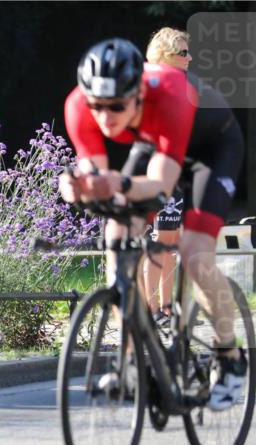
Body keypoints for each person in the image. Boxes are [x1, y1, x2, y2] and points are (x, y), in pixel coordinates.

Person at [59, 37, 247, 411]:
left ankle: (230, 358)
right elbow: (93, 175)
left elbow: (159, 187)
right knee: (116, 236)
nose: (106, 117)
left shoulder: (169, 93)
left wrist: (114, 183)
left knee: (194, 254)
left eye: (116, 106)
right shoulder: (79, 106)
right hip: (157, 142)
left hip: (212, 147)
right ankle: (131, 362)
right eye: (98, 106)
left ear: (138, 95)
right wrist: (75, 187)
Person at [124, 27, 193, 320]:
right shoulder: (154, 83)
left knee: (168, 241)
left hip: (175, 169)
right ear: (166, 55)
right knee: (157, 243)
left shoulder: (182, 83)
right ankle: (151, 308)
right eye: (184, 53)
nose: (191, 57)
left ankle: (166, 308)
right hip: (155, 168)